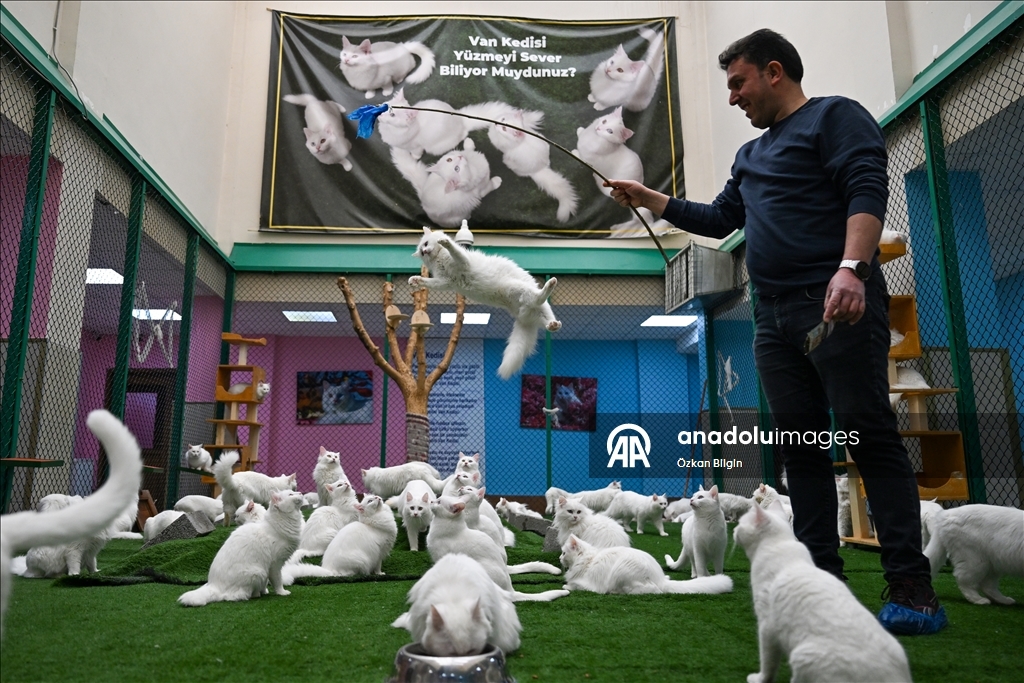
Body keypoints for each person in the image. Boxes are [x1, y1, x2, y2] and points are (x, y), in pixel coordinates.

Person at [606, 28, 946, 635]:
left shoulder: (835, 117)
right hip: (774, 317)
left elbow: (867, 190)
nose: (734, 97)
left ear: (773, 71)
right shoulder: (751, 157)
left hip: (836, 300)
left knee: (869, 436)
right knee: (803, 449)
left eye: (737, 83)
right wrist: (649, 198)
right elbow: (719, 218)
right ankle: (819, 582)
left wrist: (852, 269)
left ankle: (912, 589)